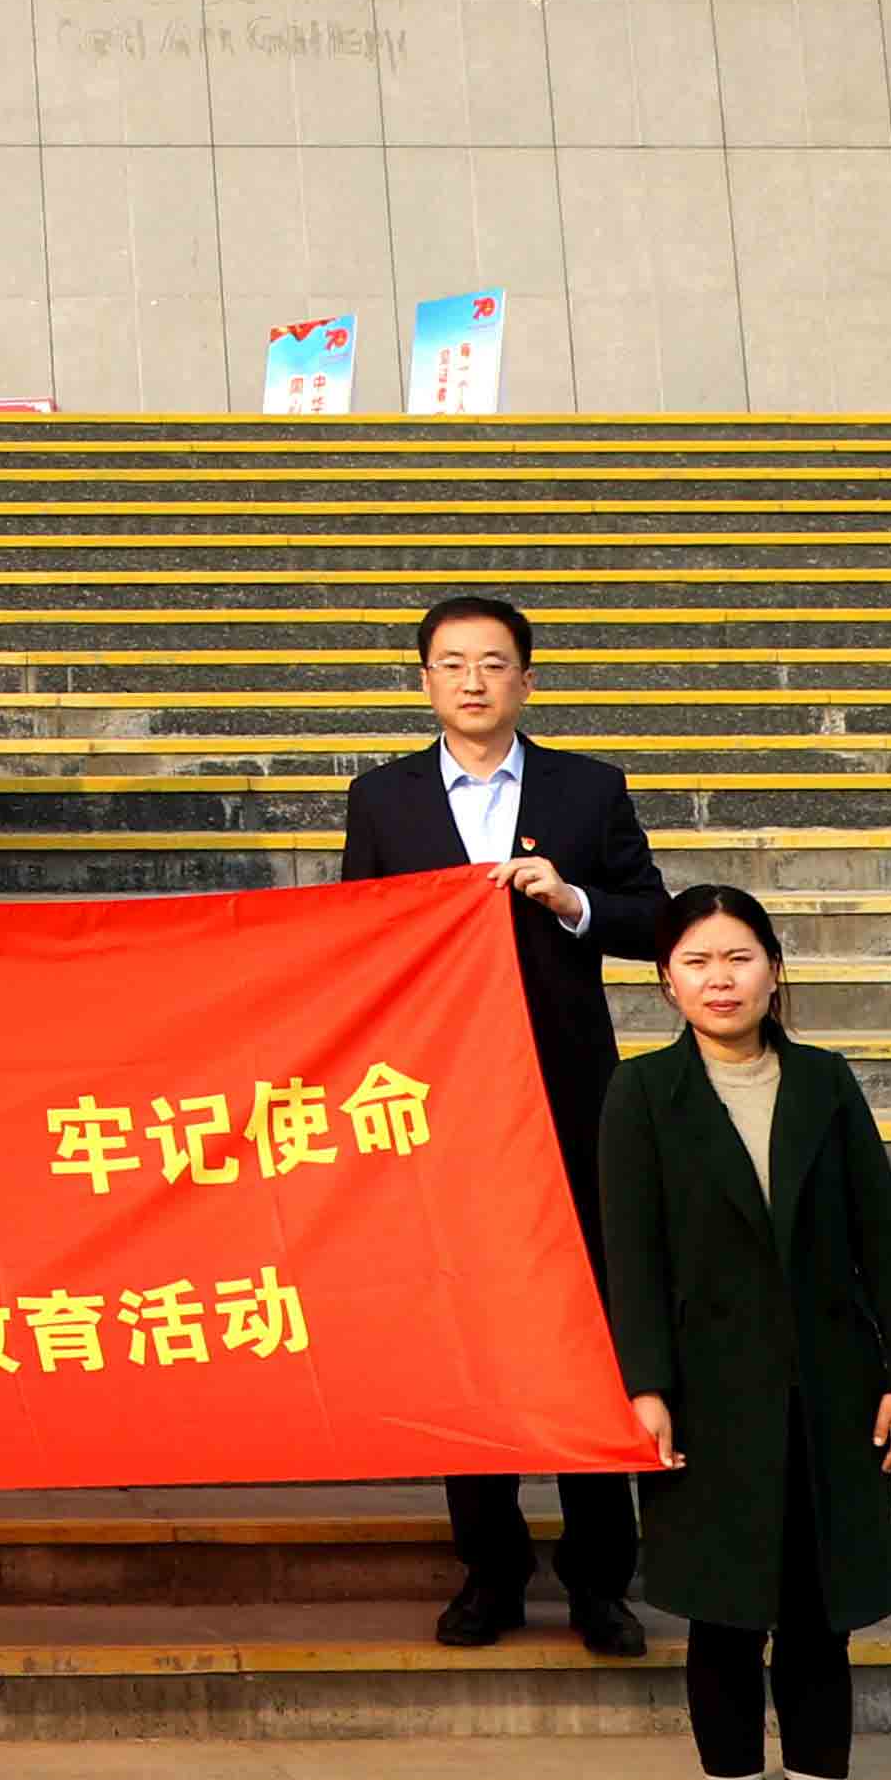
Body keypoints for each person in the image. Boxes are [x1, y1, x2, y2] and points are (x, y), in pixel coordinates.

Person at [342, 593, 668, 1657]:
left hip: (568, 1096)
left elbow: (655, 919)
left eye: (492, 662)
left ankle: (600, 1575)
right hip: (441, 1103)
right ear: (424, 680)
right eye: (451, 663)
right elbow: (351, 939)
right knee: (467, 1329)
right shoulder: (382, 799)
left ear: (525, 677)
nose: (473, 680)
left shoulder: (588, 788)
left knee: (584, 1325)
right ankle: (488, 1566)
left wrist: (573, 900)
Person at [603, 886, 891, 1780]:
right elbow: (629, 1255)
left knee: (820, 1625)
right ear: (667, 981)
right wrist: (644, 1384)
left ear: (774, 969)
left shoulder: (826, 1082)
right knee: (726, 1621)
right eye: (696, 961)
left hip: (830, 1394)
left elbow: (879, 1234)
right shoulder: (641, 1092)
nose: (720, 978)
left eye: (738, 956)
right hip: (708, 1400)